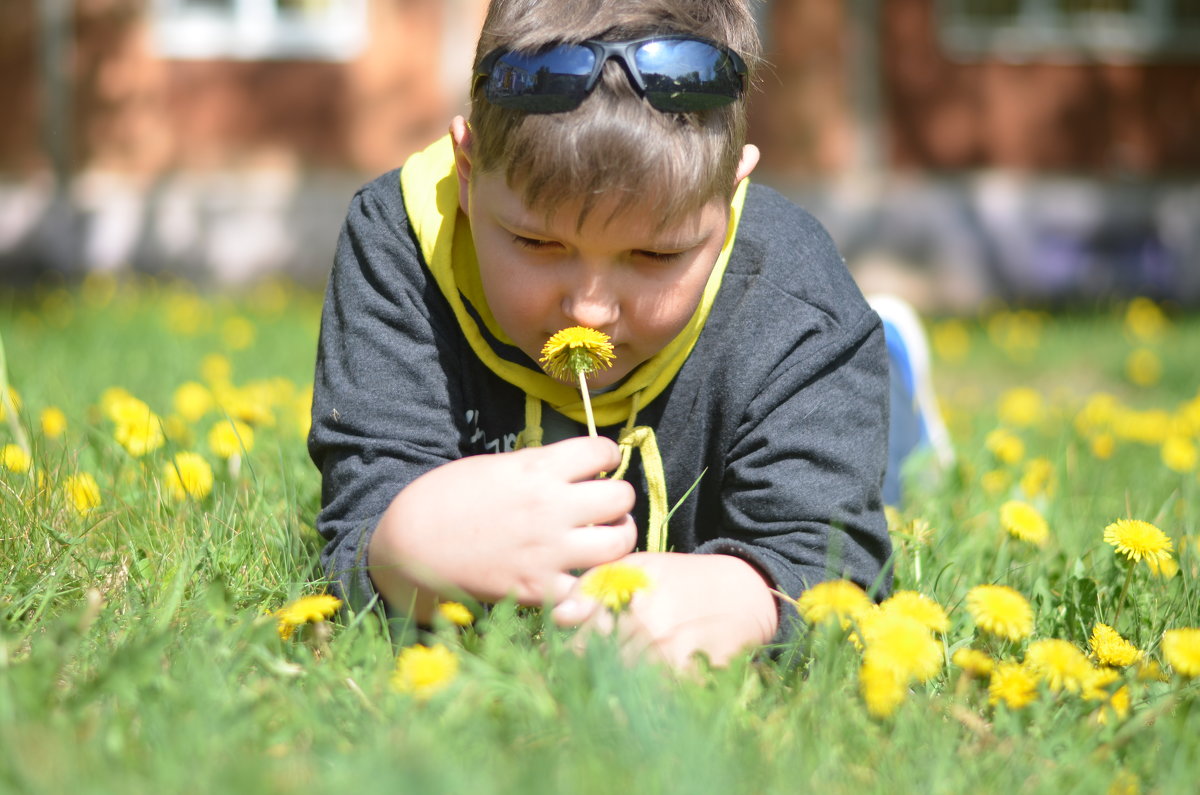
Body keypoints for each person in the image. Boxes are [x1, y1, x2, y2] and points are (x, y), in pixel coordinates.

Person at [309, 0, 936, 669]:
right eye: (536, 241)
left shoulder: (800, 305)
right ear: (467, 176)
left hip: (823, 388)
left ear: (727, 202)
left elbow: (837, 562)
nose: (589, 308)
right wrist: (402, 545)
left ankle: (892, 366)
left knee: (885, 464)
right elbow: (360, 513)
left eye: (655, 256)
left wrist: (751, 597)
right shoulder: (400, 242)